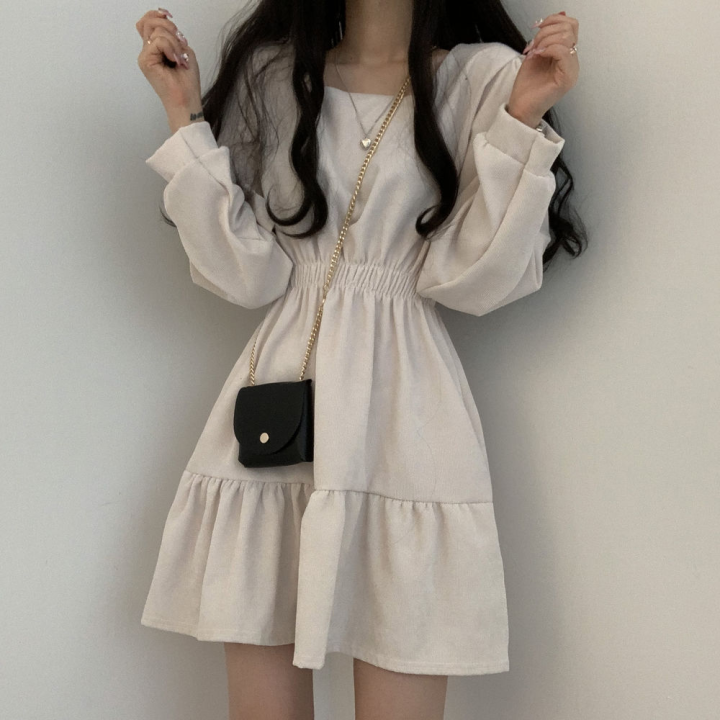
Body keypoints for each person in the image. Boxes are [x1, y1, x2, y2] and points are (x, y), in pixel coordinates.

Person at [136, 2, 583, 718]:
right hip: (281, 406)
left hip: (405, 411)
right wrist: (182, 115)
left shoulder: (485, 79)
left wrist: (522, 115)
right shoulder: (274, 77)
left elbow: (469, 279)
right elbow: (248, 276)